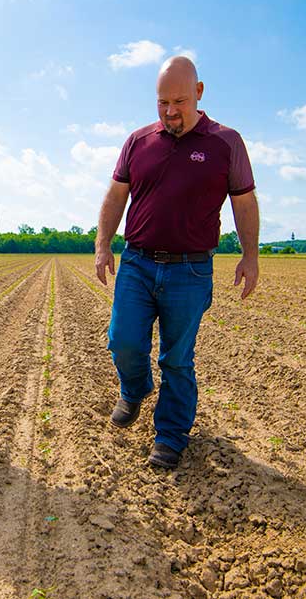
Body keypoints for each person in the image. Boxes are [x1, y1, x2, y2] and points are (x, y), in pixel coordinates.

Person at [94, 56, 260, 469]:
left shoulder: (226, 143)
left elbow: (243, 202)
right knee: (123, 340)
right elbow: (115, 196)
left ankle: (170, 434)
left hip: (190, 269)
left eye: (179, 102)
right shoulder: (138, 141)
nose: (170, 111)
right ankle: (134, 389)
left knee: (177, 358)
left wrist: (250, 255)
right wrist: (102, 244)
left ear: (199, 93)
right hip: (137, 262)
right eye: (162, 102)